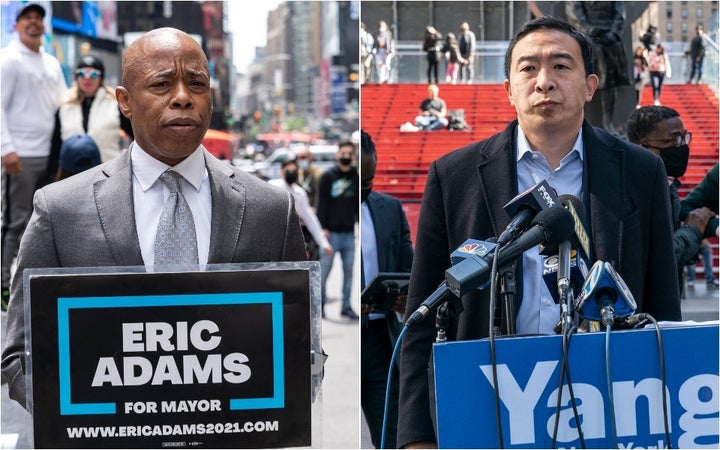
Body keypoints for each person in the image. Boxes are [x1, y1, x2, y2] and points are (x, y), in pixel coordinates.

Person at [397, 16, 681, 448]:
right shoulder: (454, 176)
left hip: (612, 401)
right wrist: (416, 437)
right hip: (490, 399)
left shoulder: (641, 171)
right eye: (528, 68)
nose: (544, 81)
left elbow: (662, 304)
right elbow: (423, 315)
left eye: (561, 67)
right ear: (508, 89)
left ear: (590, 85)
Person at [1, 27, 306, 408]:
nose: (182, 98)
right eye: (162, 84)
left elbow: (302, 351)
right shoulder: (59, 210)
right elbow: (19, 355)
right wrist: (82, 421)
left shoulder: (272, 210)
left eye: (196, 84)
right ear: (125, 102)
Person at [1, 3, 68, 309]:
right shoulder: (9, 60)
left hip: (50, 157)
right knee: (15, 222)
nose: (34, 23)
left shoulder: (51, 64)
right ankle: (3, 285)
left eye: (38, 19)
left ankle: (38, 284)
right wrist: (6, 149)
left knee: (45, 224)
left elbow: (64, 105)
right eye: (27, 18)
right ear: (16, 25)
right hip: (21, 155)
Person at [359, 130, 414, 449]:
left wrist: (406, 294)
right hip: (343, 345)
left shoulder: (390, 209)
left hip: (383, 341)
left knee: (390, 439)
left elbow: (411, 267)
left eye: (370, 180)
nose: (366, 187)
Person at [626, 105, 713, 294]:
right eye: (674, 138)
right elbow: (657, 257)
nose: (682, 146)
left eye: (684, 137)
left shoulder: (667, 184)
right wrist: (692, 231)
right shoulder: (632, 191)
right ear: (643, 146)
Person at [50, 54, 133, 177]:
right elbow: (55, 146)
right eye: (82, 73)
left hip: (109, 173)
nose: (87, 78)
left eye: (93, 74)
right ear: (76, 77)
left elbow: (137, 135)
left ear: (101, 78)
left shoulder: (114, 104)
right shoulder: (65, 106)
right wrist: (52, 175)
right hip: (71, 176)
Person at [566, 1, 630, 135]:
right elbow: (575, 14)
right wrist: (589, 31)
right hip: (586, 38)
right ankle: (577, 121)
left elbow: (620, 15)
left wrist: (613, 33)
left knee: (610, 81)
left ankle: (608, 122)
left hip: (609, 40)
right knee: (581, 79)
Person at [317, 141, 359, 319]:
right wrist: (323, 228)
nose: (346, 156)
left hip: (349, 233)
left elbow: (358, 205)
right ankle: (319, 306)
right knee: (324, 272)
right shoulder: (327, 176)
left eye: (350, 153)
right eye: (344, 152)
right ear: (337, 154)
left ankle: (346, 306)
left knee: (349, 273)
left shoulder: (356, 177)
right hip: (331, 233)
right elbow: (321, 204)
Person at [269, 158, 332, 261]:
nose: (291, 173)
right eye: (288, 171)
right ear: (281, 172)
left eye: (293, 171)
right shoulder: (272, 186)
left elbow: (310, 218)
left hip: (291, 237)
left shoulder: (300, 193)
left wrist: (324, 243)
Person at [296, 145, 324, 211]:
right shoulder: (298, 173)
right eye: (298, 158)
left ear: (310, 158)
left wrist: (316, 208)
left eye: (303, 157)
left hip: (314, 211)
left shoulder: (319, 174)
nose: (300, 160)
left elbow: (322, 196)